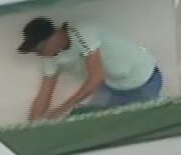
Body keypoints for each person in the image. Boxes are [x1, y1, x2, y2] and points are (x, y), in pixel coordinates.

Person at [19, 18, 162, 119]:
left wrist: (61, 110)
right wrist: (33, 124)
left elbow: (96, 77)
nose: (40, 54)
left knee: (141, 122)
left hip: (144, 80)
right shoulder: (49, 57)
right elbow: (44, 94)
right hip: (113, 87)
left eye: (40, 49)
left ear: (55, 35)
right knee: (97, 122)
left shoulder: (82, 33)